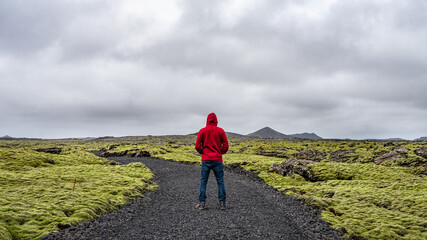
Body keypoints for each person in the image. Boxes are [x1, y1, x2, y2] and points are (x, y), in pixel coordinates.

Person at [195, 112, 229, 210]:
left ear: (207, 120)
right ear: (216, 120)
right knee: (220, 181)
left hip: (206, 160)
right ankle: (222, 203)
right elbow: (226, 146)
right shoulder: (220, 131)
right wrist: (220, 152)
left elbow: (197, 146)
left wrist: (203, 152)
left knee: (203, 181)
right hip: (217, 159)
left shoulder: (202, 131)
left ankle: (201, 203)